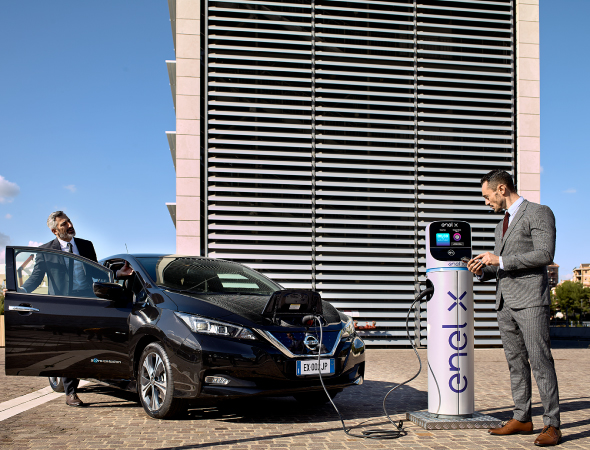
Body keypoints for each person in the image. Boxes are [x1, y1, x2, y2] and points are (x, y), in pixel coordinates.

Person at [467, 170, 561, 447]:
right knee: (515, 364)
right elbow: (504, 265)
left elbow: (545, 254)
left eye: (487, 196)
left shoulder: (539, 212)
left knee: (541, 362)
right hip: (505, 303)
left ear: (502, 189)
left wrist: (500, 259)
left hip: (531, 300)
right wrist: (482, 270)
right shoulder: (501, 226)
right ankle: (522, 418)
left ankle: (552, 424)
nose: (486, 202)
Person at [4, 211, 132, 407]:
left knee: (90, 343)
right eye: (64, 224)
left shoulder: (86, 245)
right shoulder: (46, 251)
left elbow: (95, 270)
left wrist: (117, 273)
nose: (70, 225)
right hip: (63, 303)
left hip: (88, 301)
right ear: (55, 230)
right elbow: (36, 278)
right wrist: (16, 292)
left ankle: (99, 376)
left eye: (69, 221)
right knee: (71, 345)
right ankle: (71, 393)